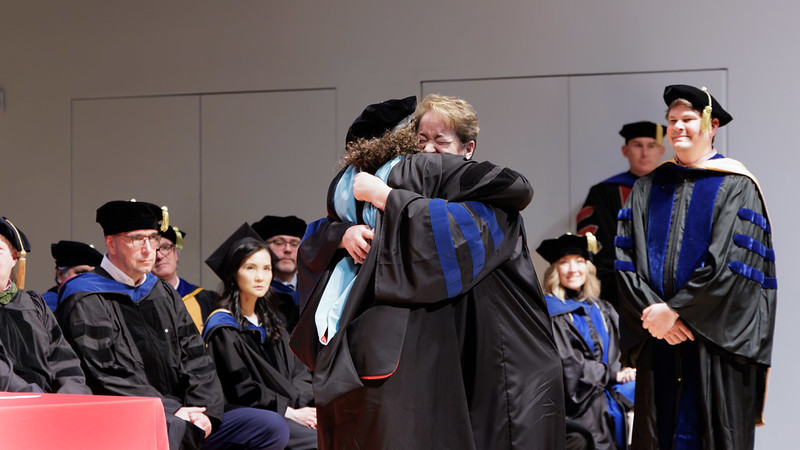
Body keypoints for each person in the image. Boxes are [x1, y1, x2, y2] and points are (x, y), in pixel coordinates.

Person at [291, 95, 565, 449]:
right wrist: (342, 235)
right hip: (447, 346)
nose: (430, 152)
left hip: (503, 354)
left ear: (467, 149)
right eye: (421, 141)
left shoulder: (490, 206)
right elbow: (315, 239)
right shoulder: (381, 197)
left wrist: (388, 198)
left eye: (441, 141)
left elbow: (513, 189)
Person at [615, 85, 777, 449]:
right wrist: (654, 317)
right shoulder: (647, 187)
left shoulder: (737, 185)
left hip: (713, 344)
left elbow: (735, 266)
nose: (678, 127)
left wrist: (676, 312)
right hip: (659, 341)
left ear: (712, 124)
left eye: (688, 119)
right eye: (672, 121)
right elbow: (626, 262)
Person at [56, 200, 289, 450]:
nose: (149, 250)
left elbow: (196, 356)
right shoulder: (87, 296)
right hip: (132, 417)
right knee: (176, 431)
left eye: (153, 238)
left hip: (188, 413)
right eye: (137, 239)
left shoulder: (161, 292)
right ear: (110, 242)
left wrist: (205, 412)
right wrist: (172, 410)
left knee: (268, 427)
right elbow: (105, 374)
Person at [203, 223, 317, 450]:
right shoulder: (223, 327)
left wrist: (298, 407)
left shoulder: (274, 323)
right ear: (233, 274)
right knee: (318, 441)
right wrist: (288, 411)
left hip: (289, 411)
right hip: (251, 417)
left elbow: (300, 373)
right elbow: (240, 389)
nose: (260, 277)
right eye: (251, 268)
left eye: (266, 269)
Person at [537, 233, 635, 450]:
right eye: (564, 262)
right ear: (555, 270)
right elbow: (567, 364)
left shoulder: (602, 308)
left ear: (588, 268)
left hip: (611, 389)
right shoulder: (552, 312)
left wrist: (628, 368)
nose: (573, 269)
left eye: (579, 261)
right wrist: (611, 374)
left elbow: (624, 346)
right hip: (578, 400)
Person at [577, 121, 666, 309]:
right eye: (637, 146)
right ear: (625, 151)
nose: (645, 153)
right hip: (617, 287)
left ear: (662, 151)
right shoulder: (603, 192)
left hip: (668, 288)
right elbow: (593, 243)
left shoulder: (676, 190)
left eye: (651, 146)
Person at [0, 217, 91, 394]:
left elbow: (64, 361)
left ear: (13, 258)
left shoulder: (35, 306)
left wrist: (70, 396)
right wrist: (38, 400)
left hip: (52, 409)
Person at [152, 224, 218, 333]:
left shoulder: (207, 300)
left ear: (176, 254)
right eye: (154, 250)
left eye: (165, 247)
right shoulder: (140, 301)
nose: (159, 256)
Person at [252, 215, 307, 332]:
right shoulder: (253, 295)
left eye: (294, 244)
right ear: (263, 248)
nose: (287, 249)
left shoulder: (313, 291)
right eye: (278, 242)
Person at [42, 240, 103, 310]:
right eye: (81, 273)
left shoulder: (99, 304)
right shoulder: (45, 307)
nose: (88, 279)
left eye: (93, 274)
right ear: (60, 274)